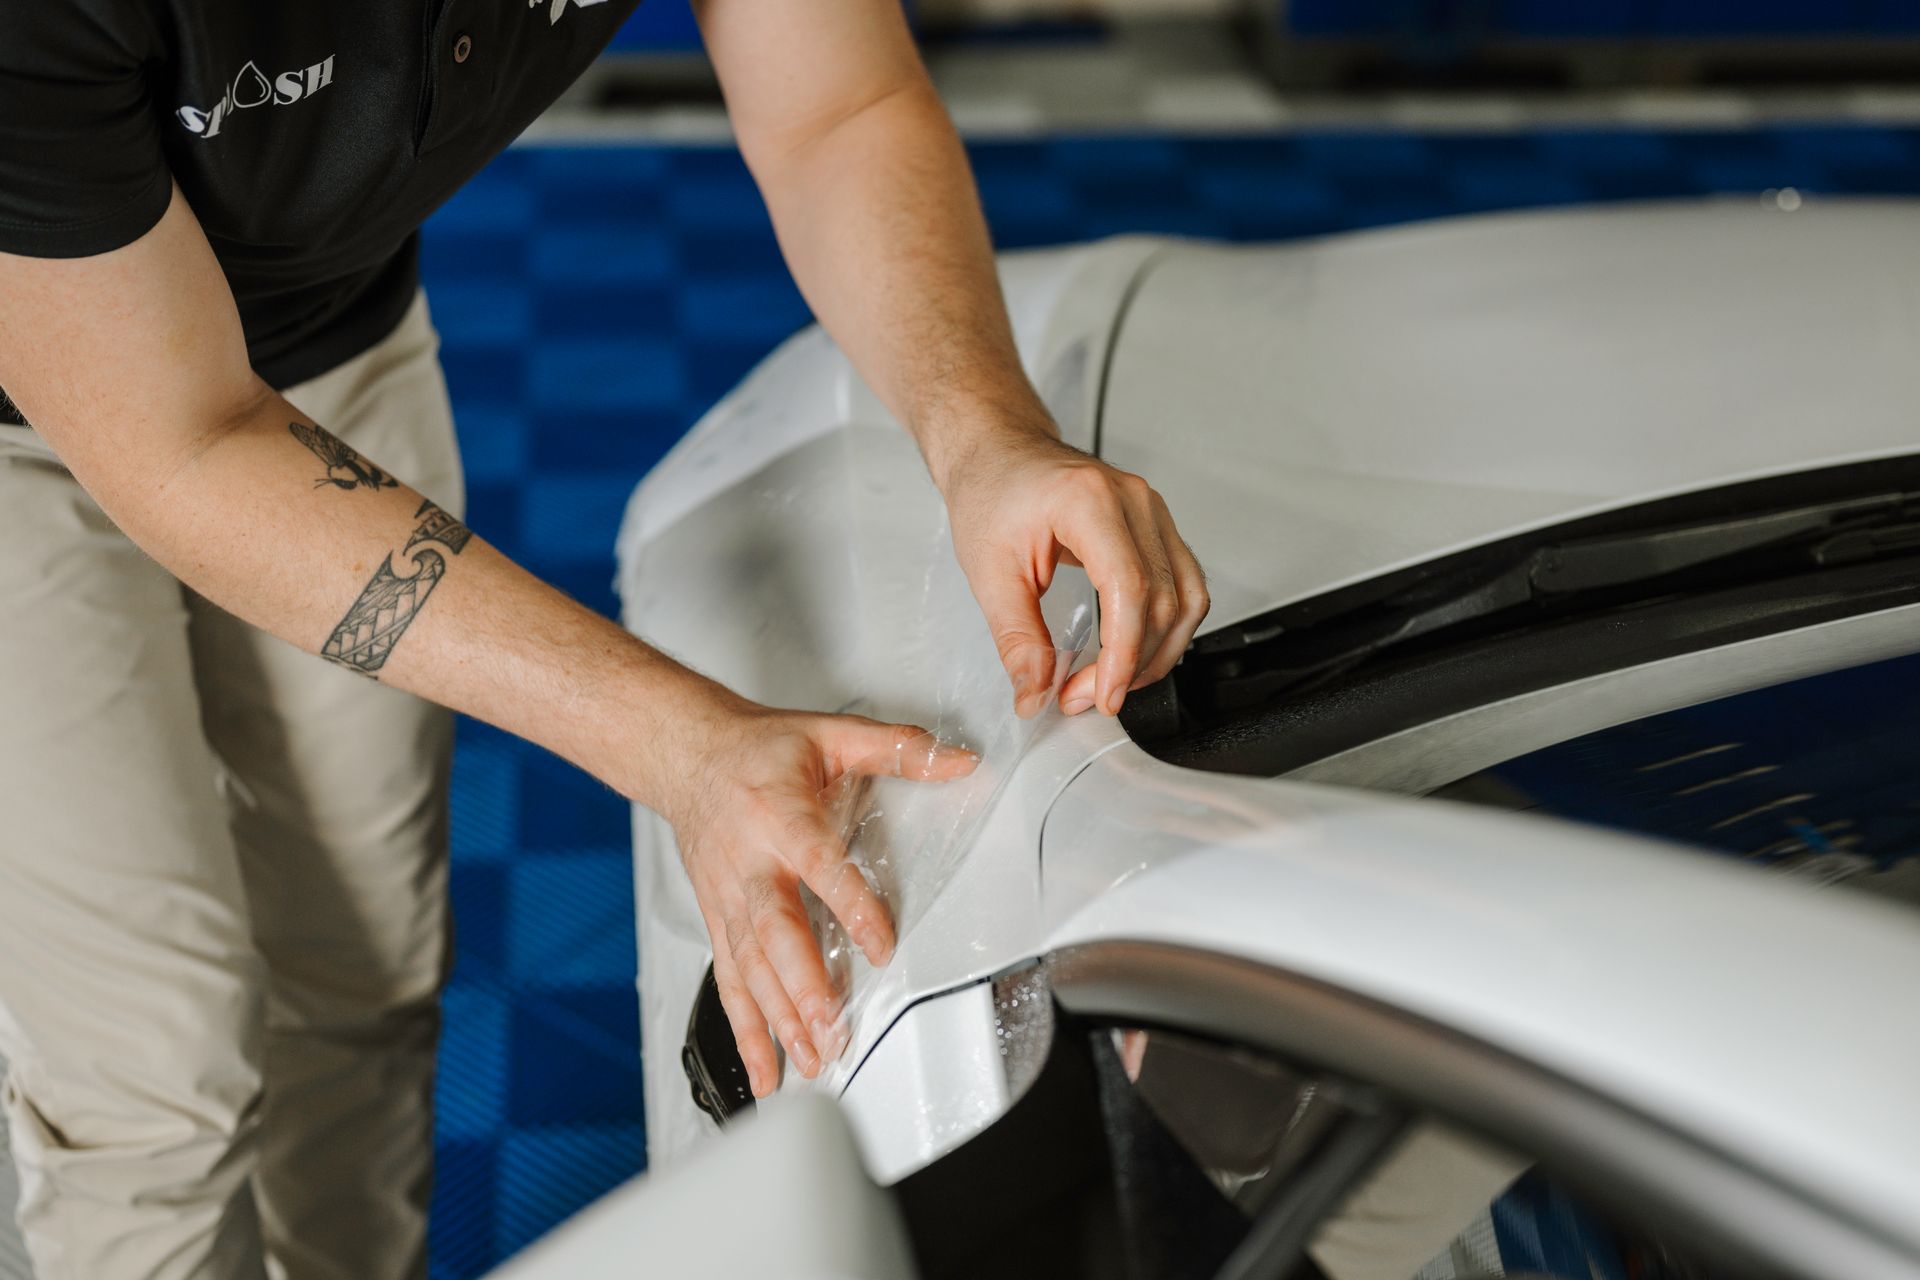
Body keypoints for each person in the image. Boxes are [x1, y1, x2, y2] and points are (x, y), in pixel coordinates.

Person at [0, 1, 1209, 1276]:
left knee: (359, 971)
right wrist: (680, 744)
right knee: (154, 1076)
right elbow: (181, 442)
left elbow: (835, 105)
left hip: (323, 336)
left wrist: (987, 438)